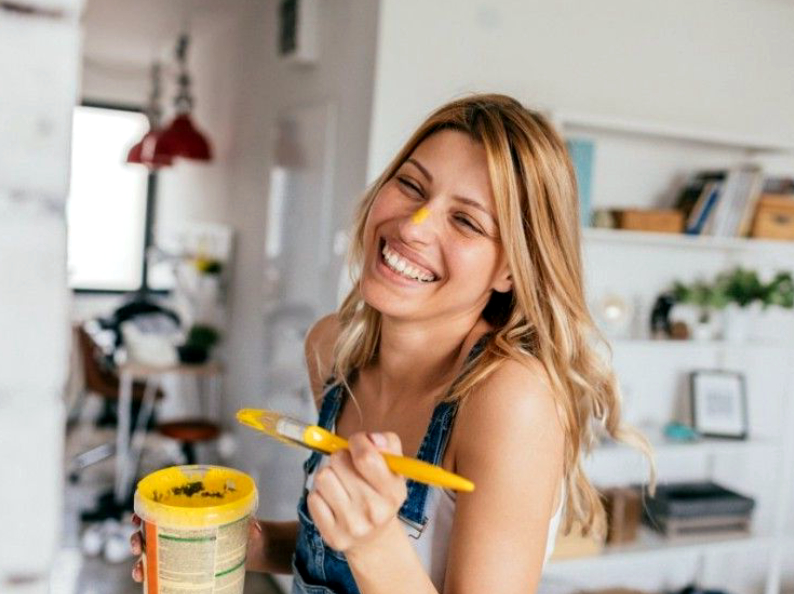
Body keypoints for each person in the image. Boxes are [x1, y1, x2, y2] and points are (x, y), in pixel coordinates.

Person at [131, 93, 653, 593]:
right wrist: (247, 545)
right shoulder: (333, 348)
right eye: (412, 186)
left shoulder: (510, 399)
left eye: (466, 220)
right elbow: (329, 552)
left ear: (512, 271)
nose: (414, 226)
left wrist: (376, 544)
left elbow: (378, 557)